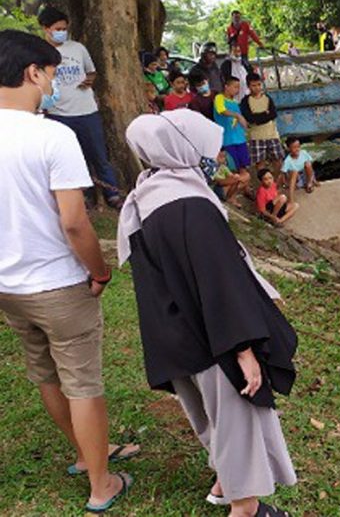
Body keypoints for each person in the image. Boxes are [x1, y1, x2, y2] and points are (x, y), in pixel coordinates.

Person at [117, 109, 296, 517]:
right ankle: (245, 508)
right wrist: (243, 349)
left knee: (208, 417)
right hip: (210, 337)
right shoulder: (190, 206)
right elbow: (218, 282)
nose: (215, 159)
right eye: (208, 151)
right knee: (237, 421)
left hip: (174, 332)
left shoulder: (148, 194)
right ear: (184, 149)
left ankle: (222, 481)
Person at [0, 29, 140, 514]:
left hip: (9, 288)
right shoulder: (53, 135)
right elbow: (74, 221)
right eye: (53, 74)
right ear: (32, 73)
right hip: (59, 284)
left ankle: (85, 455)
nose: (54, 84)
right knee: (82, 383)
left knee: (45, 373)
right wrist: (99, 271)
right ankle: (102, 484)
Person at [38, 6, 123, 209]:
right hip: (58, 114)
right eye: (58, 28)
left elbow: (91, 72)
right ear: (45, 28)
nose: (62, 32)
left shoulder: (77, 48)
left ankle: (113, 193)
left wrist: (88, 81)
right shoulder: (39, 53)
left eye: (64, 28)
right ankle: (83, 196)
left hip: (87, 111)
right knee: (71, 158)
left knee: (99, 155)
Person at [240, 73, 283, 175]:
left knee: (278, 160)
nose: (257, 88)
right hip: (256, 137)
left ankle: (277, 183)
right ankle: (264, 185)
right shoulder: (245, 101)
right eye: (254, 85)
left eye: (259, 84)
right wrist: (265, 114)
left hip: (272, 135)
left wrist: (258, 117)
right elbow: (249, 118)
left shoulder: (267, 98)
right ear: (248, 86)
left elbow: (273, 114)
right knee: (260, 163)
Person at [214, 76, 251, 180]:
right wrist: (237, 115)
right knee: (232, 167)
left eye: (238, 87)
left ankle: (245, 187)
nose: (237, 90)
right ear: (226, 87)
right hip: (227, 140)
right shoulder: (219, 98)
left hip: (240, 138)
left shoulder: (235, 102)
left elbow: (241, 121)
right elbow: (222, 111)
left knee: (243, 165)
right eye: (235, 87)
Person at [281, 136, 318, 201]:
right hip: (296, 179)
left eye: (298, 146)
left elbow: (311, 168)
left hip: (306, 175)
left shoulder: (303, 152)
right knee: (294, 172)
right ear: (289, 148)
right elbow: (283, 173)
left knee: (308, 164)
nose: (297, 149)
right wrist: (285, 184)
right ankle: (292, 197)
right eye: (294, 147)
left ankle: (309, 183)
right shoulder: (287, 161)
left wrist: (313, 180)